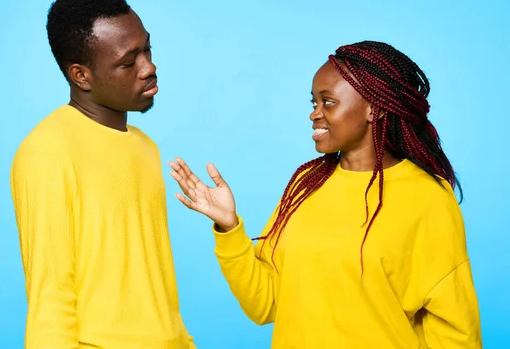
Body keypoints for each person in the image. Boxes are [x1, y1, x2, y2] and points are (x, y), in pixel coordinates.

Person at [168, 41, 481, 348]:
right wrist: (229, 228)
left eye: (328, 102)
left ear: (374, 108)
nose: (314, 115)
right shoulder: (307, 183)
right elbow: (264, 304)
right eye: (313, 103)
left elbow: (455, 331)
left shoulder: (426, 198)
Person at [10, 0, 195, 348]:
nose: (149, 68)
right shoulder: (48, 150)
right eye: (129, 62)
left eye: (148, 50)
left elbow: (156, 290)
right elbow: (50, 299)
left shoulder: (146, 149)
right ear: (81, 76)